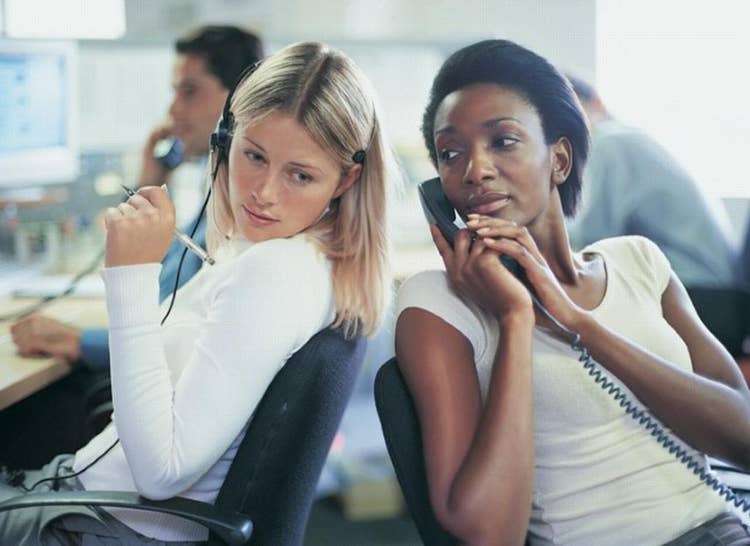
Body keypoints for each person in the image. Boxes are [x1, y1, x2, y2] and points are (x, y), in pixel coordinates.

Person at [0, 41, 395, 544]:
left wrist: (132, 276)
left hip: (100, 528)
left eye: (300, 174)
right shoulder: (293, 252)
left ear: (346, 180)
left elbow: (161, 473)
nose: (264, 192)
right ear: (225, 141)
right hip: (87, 505)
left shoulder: (275, 273)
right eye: (254, 155)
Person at [395, 39, 750, 545]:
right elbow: (488, 533)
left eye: (503, 141)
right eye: (451, 153)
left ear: (558, 160)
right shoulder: (438, 304)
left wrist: (580, 325)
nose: (475, 169)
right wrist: (516, 318)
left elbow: (743, 438)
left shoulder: (638, 260)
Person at [2, 26, 264, 469]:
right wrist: (152, 178)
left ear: (238, 101)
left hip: (143, 440)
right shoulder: (213, 207)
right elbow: (165, 284)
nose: (174, 110)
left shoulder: (247, 216)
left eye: (190, 92)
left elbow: (167, 323)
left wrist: (78, 341)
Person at [564, 74, 738, 290]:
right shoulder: (633, 139)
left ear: (597, 104)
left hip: (697, 286)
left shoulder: (609, 142)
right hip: (710, 281)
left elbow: (588, 241)